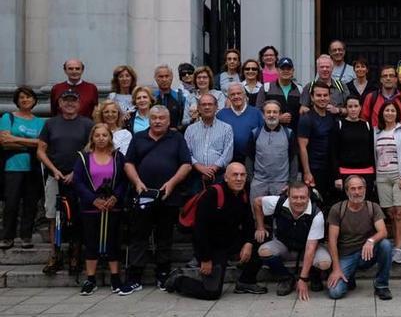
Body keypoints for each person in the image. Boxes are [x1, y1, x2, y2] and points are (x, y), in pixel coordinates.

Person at [164, 163, 266, 299]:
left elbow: (248, 223)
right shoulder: (212, 194)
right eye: (235, 175)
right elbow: (199, 230)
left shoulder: (243, 194)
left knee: (262, 241)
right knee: (211, 292)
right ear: (226, 177)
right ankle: (177, 280)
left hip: (231, 241)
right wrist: (205, 259)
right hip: (211, 247)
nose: (239, 179)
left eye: (242, 175)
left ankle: (245, 282)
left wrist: (249, 243)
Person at [121, 105, 193, 294]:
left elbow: (186, 164)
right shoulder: (138, 138)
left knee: (164, 237)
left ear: (169, 121)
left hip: (168, 195)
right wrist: (136, 182)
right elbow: (128, 163)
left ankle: (162, 274)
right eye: (154, 118)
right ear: (149, 120)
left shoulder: (176, 138)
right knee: (138, 236)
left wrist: (172, 183)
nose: (158, 121)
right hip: (142, 195)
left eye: (162, 118)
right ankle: (134, 276)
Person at [36, 89, 94, 275]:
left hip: (79, 178)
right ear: (60, 104)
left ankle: (75, 255)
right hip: (55, 176)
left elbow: (90, 149)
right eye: (66, 101)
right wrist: (54, 170)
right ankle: (55, 254)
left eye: (73, 101)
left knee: (77, 216)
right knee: (54, 216)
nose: (69, 104)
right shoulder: (50, 124)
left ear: (79, 103)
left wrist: (76, 171)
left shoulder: (87, 124)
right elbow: (41, 150)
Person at [71, 123, 128, 295]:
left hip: (112, 206)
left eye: (105, 135)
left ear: (110, 137)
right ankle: (90, 279)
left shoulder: (118, 156)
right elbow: (78, 182)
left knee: (113, 241)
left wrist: (115, 197)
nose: (101, 139)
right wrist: (93, 199)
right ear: (92, 138)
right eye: (98, 136)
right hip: (91, 207)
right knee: (91, 242)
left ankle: (116, 278)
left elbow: (124, 180)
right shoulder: (83, 157)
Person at [254, 181, 331, 299]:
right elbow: (257, 202)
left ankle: (313, 274)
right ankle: (286, 278)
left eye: (302, 197)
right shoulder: (278, 202)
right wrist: (260, 227)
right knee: (263, 251)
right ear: (288, 196)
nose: (299, 201)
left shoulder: (317, 214)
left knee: (325, 263)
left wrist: (303, 279)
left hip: (307, 246)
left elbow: (311, 248)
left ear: (308, 197)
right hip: (284, 243)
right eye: (295, 197)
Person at [326, 175, 393, 300]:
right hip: (346, 255)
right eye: (353, 189)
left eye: (360, 188)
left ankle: (382, 285)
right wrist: (336, 269)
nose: (357, 192)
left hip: (366, 253)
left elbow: (383, 232)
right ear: (346, 191)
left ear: (365, 189)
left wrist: (371, 240)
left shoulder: (373, 207)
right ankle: (349, 278)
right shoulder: (337, 209)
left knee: (385, 245)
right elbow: (332, 241)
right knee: (335, 293)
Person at [0, 86, 46, 249]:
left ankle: (26, 237)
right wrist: (31, 143)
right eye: (21, 97)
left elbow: (43, 144)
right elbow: (4, 142)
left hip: (33, 167)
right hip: (13, 166)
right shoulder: (8, 117)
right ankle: (7, 237)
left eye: (28, 97)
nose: (25, 100)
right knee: (11, 203)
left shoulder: (40, 122)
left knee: (30, 203)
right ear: (17, 101)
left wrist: (15, 138)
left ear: (34, 100)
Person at [373, 101, 401, 265]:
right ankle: (391, 244)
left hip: (399, 176)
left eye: (392, 110)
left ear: (397, 113)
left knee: (400, 213)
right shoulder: (376, 131)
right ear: (382, 113)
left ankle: (398, 249)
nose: (389, 113)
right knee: (390, 213)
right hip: (382, 177)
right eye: (386, 110)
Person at [298, 81, 339, 203]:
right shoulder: (306, 118)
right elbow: (302, 147)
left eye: (325, 95)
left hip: (331, 169)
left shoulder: (331, 117)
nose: (322, 98)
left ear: (329, 97)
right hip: (314, 169)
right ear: (312, 97)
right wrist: (307, 172)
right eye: (319, 95)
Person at [247, 100, 298, 198]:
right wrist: (251, 179)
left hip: (281, 184)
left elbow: (293, 159)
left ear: (280, 114)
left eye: (275, 112)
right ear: (263, 115)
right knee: (257, 212)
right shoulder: (255, 133)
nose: (271, 115)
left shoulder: (289, 133)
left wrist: (291, 183)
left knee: (279, 213)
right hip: (259, 183)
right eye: (268, 112)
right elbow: (249, 158)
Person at [185, 94, 234, 190]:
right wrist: (199, 167)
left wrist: (213, 168)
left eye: (210, 104)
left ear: (216, 107)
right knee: (196, 204)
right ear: (198, 108)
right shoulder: (190, 129)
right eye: (203, 104)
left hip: (219, 176)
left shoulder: (226, 128)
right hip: (196, 176)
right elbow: (186, 152)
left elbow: (227, 153)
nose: (207, 107)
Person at [332, 97, 375, 202]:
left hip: (366, 173)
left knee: (365, 205)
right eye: (350, 106)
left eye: (356, 106)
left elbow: (372, 151)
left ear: (360, 107)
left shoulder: (367, 125)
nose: (353, 109)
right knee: (347, 205)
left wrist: (374, 176)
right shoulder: (339, 125)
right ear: (346, 108)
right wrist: (337, 176)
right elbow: (333, 153)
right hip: (345, 173)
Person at [217, 83, 264, 165]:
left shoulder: (256, 113)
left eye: (239, 93)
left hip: (252, 161)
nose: (236, 96)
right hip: (227, 162)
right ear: (228, 98)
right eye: (232, 94)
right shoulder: (221, 115)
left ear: (245, 95)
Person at [361, 65, 401, 132]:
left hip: (398, 138)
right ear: (381, 80)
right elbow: (364, 120)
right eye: (385, 76)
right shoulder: (371, 97)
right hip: (376, 138)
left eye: (391, 76)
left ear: (396, 79)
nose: (388, 78)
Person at [255, 57, 303, 132]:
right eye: (282, 69)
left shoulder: (299, 90)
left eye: (288, 69)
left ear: (293, 71)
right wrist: (277, 118)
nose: (285, 71)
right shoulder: (266, 88)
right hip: (272, 133)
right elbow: (258, 112)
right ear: (277, 70)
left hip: (294, 134)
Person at [153, 64, 190, 130]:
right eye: (161, 77)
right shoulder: (151, 98)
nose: (164, 79)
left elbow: (185, 121)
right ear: (155, 78)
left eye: (167, 76)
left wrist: (178, 129)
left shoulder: (180, 98)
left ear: (172, 77)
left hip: (175, 137)